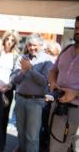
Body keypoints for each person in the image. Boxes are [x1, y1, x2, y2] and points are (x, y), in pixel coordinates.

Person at [10, 34, 54, 152]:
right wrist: (22, 72)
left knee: (32, 137)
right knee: (21, 134)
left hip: (36, 101)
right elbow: (13, 80)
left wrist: (30, 69)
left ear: (40, 45)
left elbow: (45, 82)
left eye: (34, 45)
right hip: (20, 99)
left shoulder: (47, 59)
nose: (32, 47)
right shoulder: (22, 58)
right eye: (29, 45)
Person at [48, 16, 79, 152]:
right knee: (56, 148)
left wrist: (75, 93)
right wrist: (53, 83)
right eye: (77, 28)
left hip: (77, 112)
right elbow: (53, 71)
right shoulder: (67, 49)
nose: (78, 31)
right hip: (59, 109)